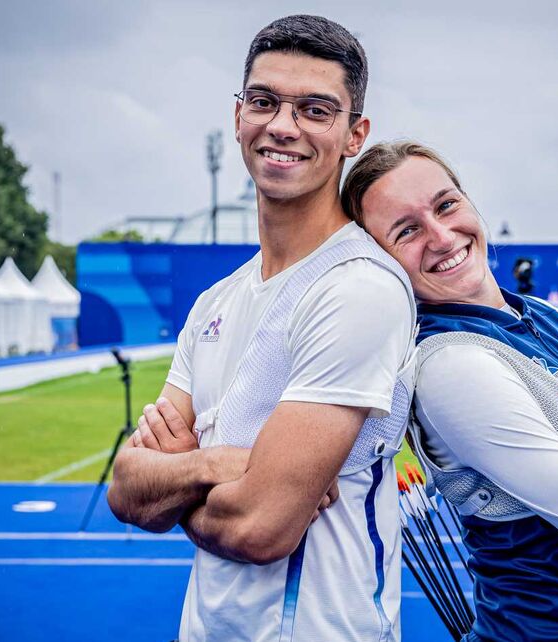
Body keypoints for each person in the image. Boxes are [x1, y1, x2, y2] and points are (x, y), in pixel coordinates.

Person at [107, 16, 416, 642]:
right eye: (265, 102)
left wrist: (181, 472)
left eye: (315, 110)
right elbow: (126, 490)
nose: (283, 126)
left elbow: (259, 530)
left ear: (355, 134)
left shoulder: (357, 289)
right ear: (239, 115)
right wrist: (220, 463)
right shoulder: (215, 303)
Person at [342, 141, 558, 642]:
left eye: (446, 205)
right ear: (382, 261)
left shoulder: (541, 315)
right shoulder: (451, 365)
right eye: (407, 230)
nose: (442, 236)